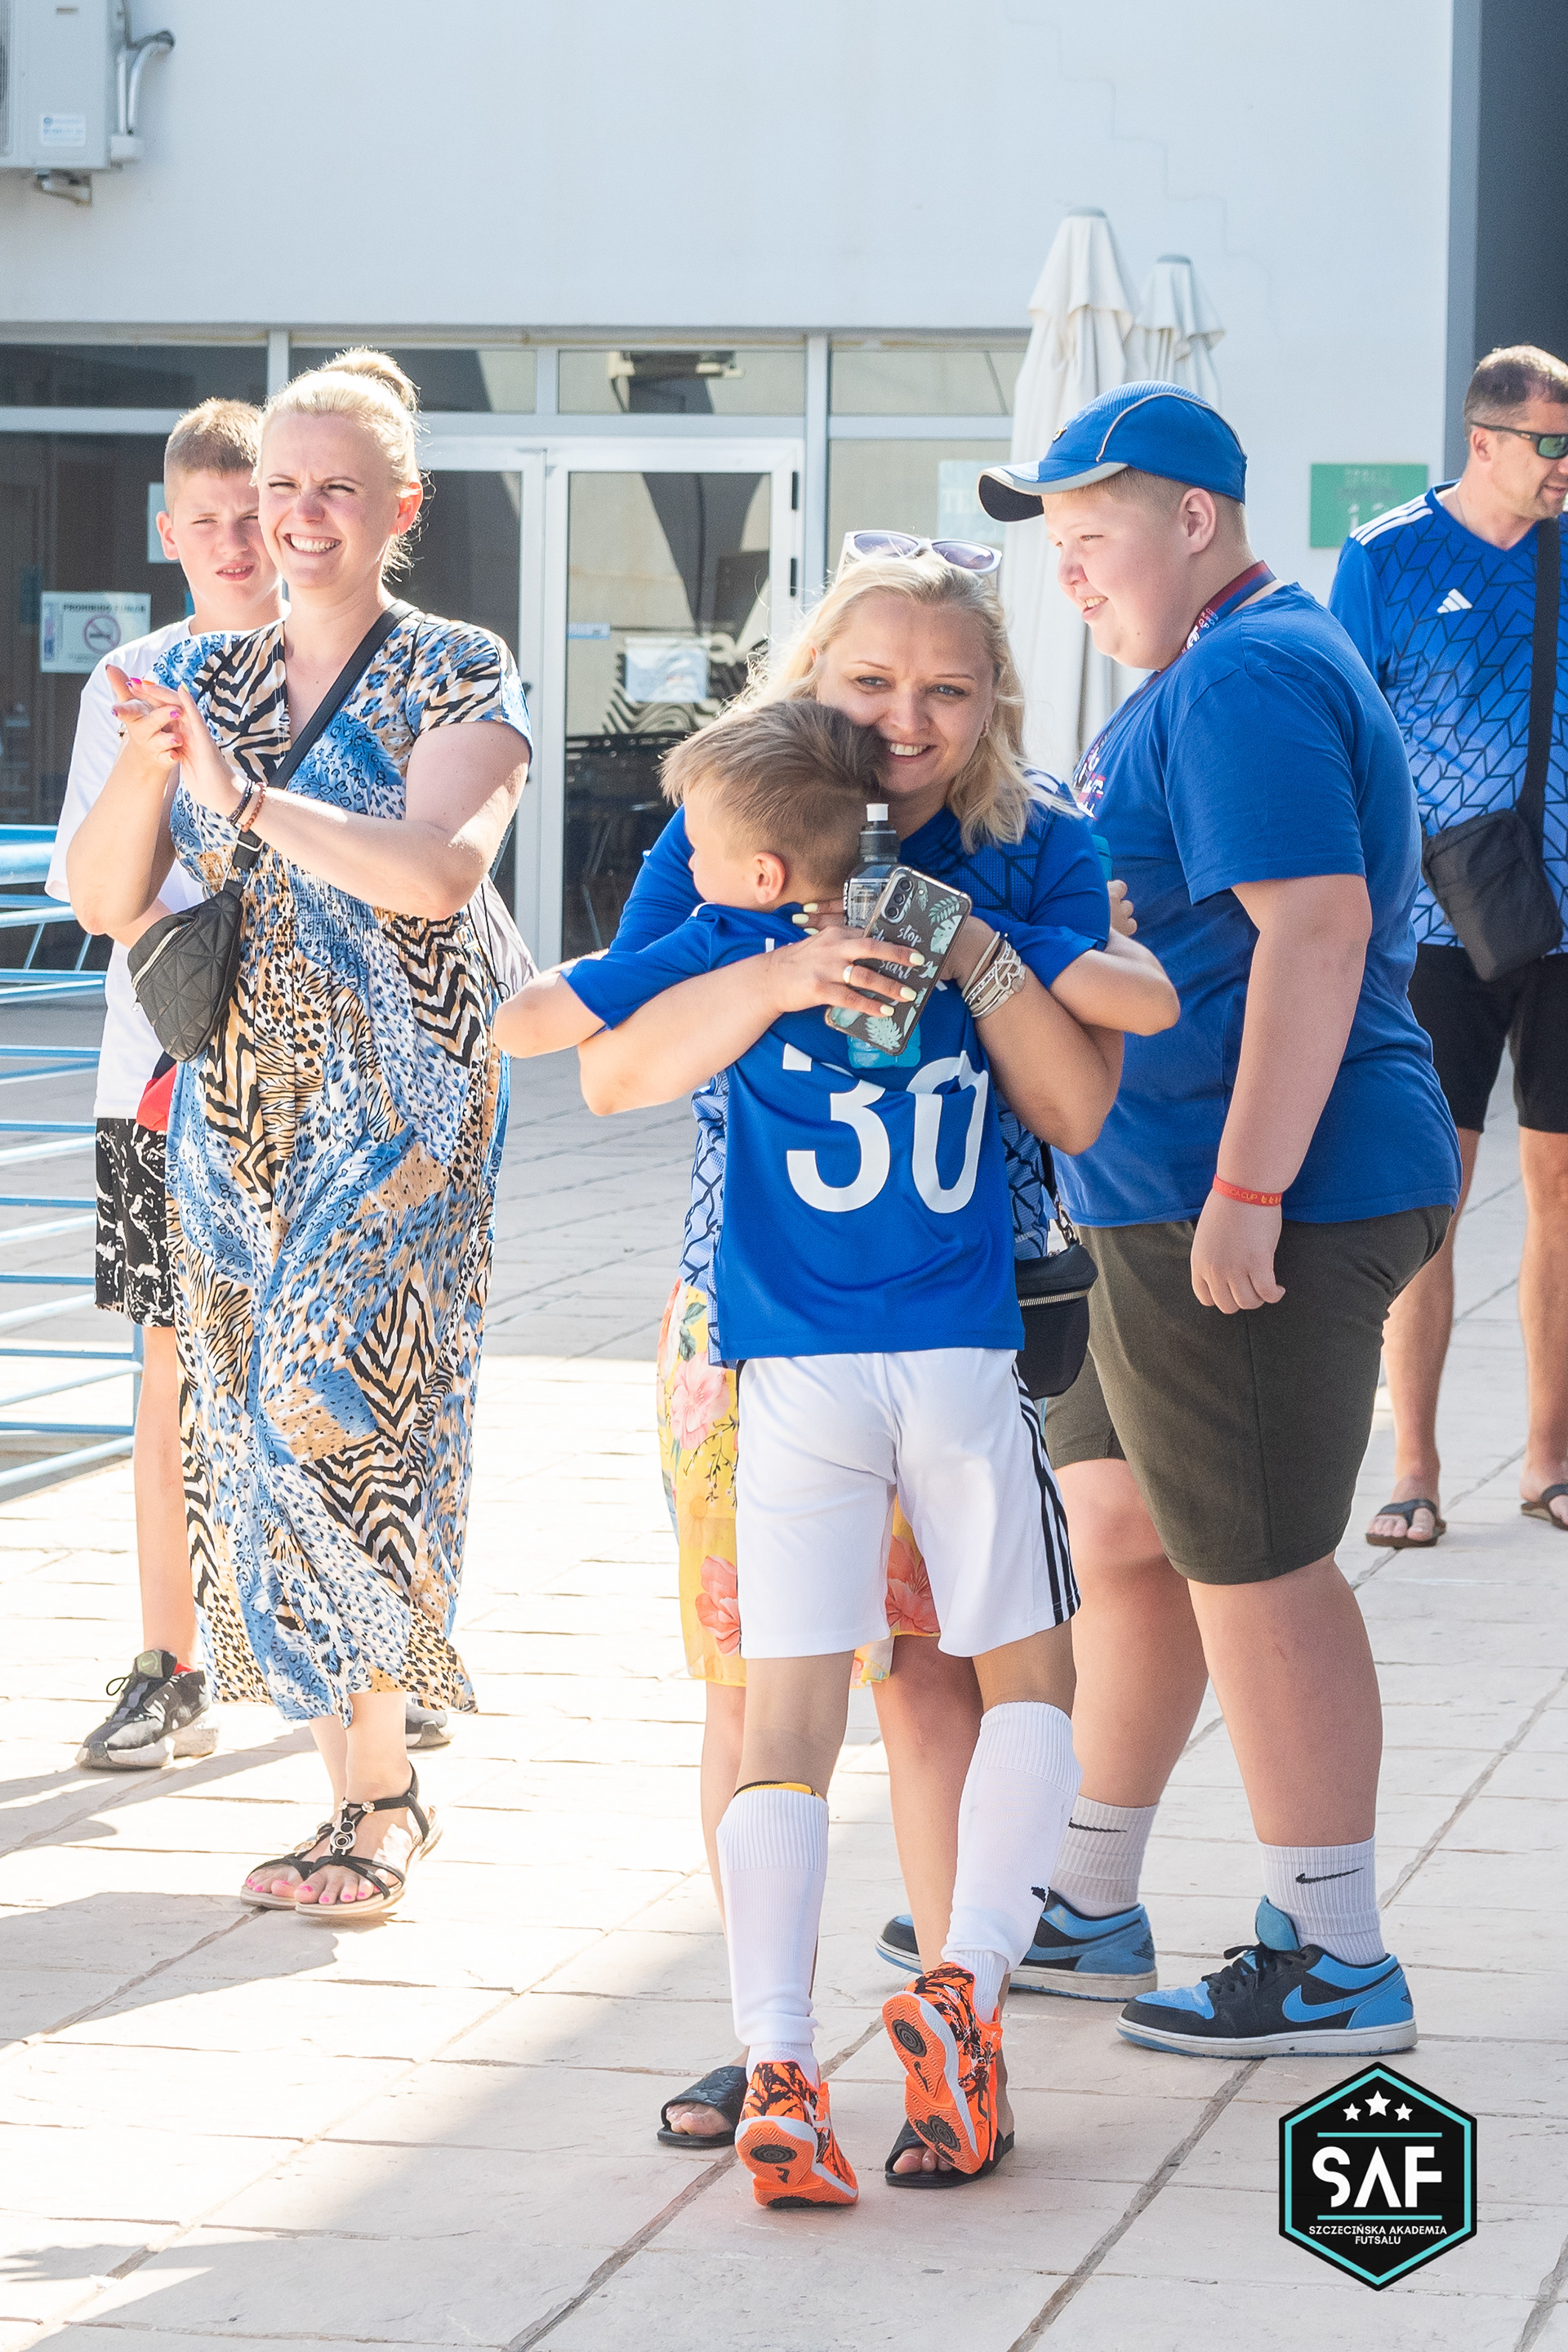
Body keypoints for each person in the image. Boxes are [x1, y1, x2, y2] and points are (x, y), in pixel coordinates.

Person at [570, 544, 1175, 2172]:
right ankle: (769, 2042)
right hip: (749, 1328)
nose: (907, 715)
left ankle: (950, 2034)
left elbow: (1079, 1105)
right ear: (811, 674)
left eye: (947, 687)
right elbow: (615, 1074)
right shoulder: (735, 814)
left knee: (930, 1683)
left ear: (996, 700)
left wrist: (979, 949)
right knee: (757, 1689)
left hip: (962, 1319)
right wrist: (776, 964)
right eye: (871, 680)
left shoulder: (1036, 838)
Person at [976, 381, 1461, 2056]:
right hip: (1160, 1192)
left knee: (1257, 1565)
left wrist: (1248, 1195)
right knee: (1121, 1528)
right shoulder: (1210, 668)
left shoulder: (1247, 672)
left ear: (1196, 520)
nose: (1069, 573)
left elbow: (1318, 932)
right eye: (1054, 544)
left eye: (1092, 535)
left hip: (1253, 1193)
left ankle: (1333, 1955)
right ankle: (1086, 1897)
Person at [65, 350, 531, 1916]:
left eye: (338, 487)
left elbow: (439, 871)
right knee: (253, 1440)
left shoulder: (457, 667)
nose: (302, 514)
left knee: (335, 1410)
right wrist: (158, 763)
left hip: (403, 1102)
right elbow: (109, 900)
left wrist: (245, 794)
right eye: (281, 486)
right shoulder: (204, 673)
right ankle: (346, 1793)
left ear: (405, 506)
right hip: (235, 1100)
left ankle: (383, 1794)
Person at [50, 400, 279, 1771]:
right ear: (167, 530)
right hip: (162, 1076)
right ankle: (171, 1663)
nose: (237, 544)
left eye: (256, 516)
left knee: (343, 1374)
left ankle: (371, 1661)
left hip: (325, 1083)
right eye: (208, 522)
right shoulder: (130, 677)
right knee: (174, 1381)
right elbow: (99, 895)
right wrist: (154, 760)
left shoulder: (351, 666)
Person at [1329, 345, 1568, 1547]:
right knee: (1435, 1191)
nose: (1565, 466)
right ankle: (1413, 1465)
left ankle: (1550, 1456)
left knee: (1561, 1190)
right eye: (1551, 445)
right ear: (1484, 440)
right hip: (1433, 923)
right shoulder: (1384, 557)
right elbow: (1342, 739)